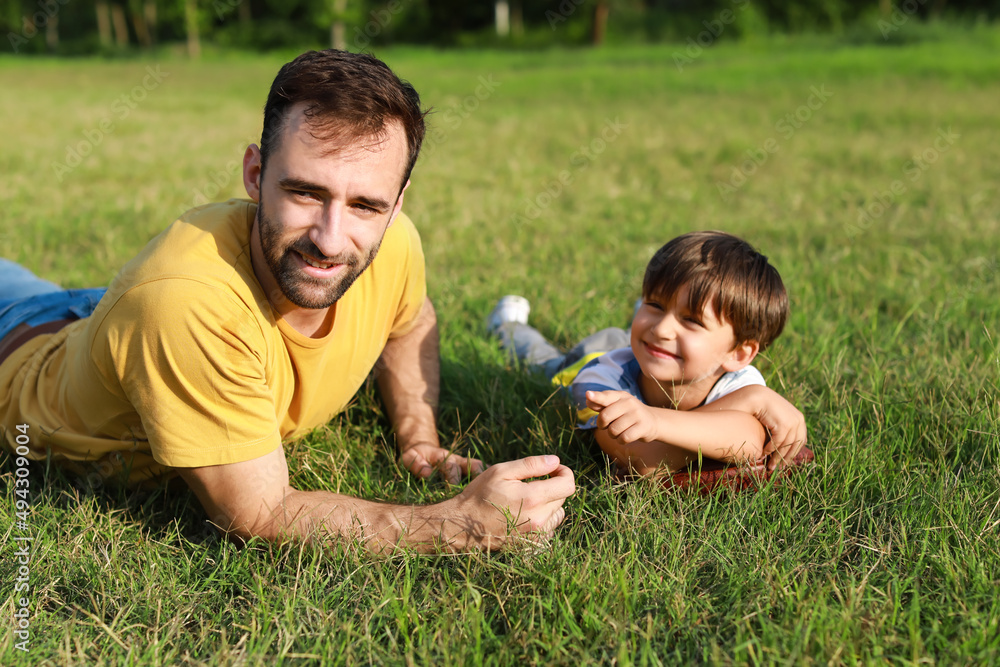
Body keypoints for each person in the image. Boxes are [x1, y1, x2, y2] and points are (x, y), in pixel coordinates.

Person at [0, 49, 574, 553]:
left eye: (365, 206)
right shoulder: (183, 306)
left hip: (100, 317)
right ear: (255, 174)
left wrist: (418, 437)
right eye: (305, 192)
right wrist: (457, 525)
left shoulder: (393, 243)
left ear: (396, 205)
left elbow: (410, 320)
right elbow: (261, 512)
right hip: (18, 347)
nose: (329, 238)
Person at [488, 231, 810, 478]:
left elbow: (747, 442)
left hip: (643, 351)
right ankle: (508, 325)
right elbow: (645, 461)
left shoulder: (740, 381)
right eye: (654, 304)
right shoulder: (601, 382)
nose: (663, 328)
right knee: (545, 362)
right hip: (589, 360)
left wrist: (751, 398)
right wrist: (750, 403)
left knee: (648, 335)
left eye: (692, 320)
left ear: (738, 354)